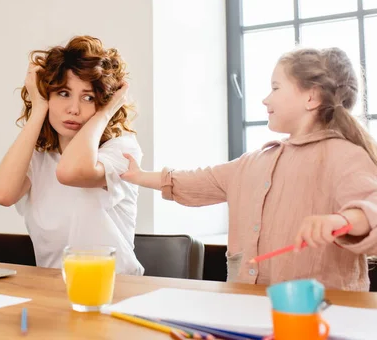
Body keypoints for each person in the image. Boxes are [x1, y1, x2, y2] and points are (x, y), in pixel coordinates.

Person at [121, 47, 377, 290]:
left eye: (275, 88)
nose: (266, 99)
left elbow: (371, 207)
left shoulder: (345, 156)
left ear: (311, 97)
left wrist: (343, 220)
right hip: (249, 312)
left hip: (322, 319)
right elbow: (197, 180)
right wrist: (140, 176)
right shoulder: (254, 162)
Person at [0, 35, 144, 275]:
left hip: (115, 287)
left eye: (88, 97)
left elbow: (71, 172)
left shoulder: (121, 150)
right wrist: (39, 107)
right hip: (52, 289)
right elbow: (2, 194)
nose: (73, 108)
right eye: (63, 93)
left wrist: (104, 115)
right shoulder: (38, 158)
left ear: (103, 102)